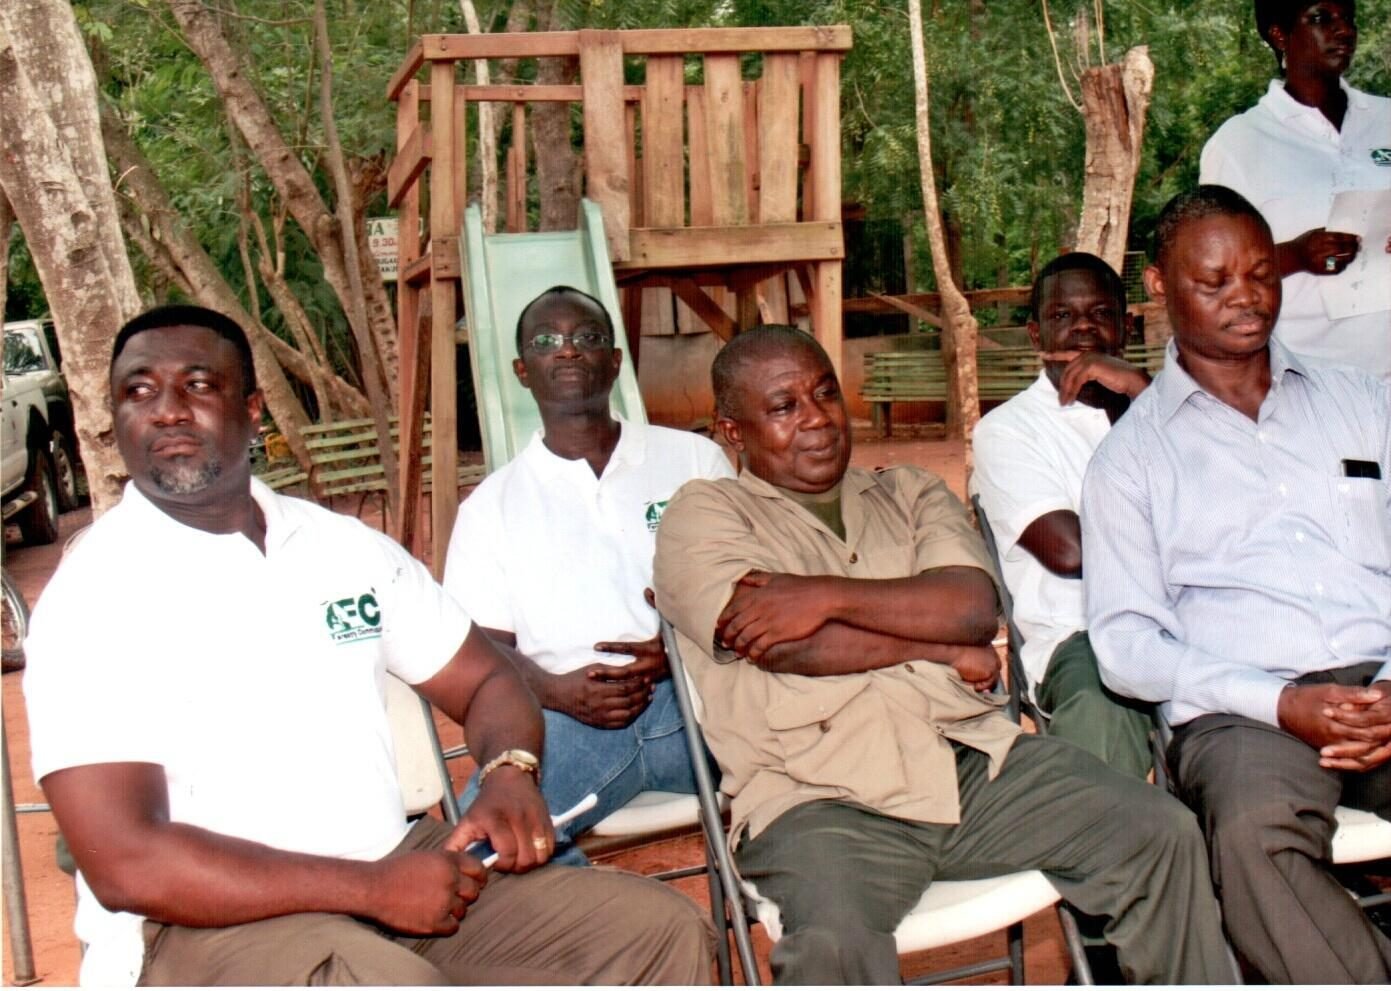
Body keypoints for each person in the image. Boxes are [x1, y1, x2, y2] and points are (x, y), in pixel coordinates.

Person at [22, 304, 715, 987]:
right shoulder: (96, 595)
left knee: (655, 931)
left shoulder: (341, 548)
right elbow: (127, 862)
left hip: (394, 865)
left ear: (254, 410)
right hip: (206, 921)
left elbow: (485, 680)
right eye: (139, 391)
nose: (167, 410)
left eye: (197, 385)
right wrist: (371, 889)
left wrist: (510, 768)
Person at [653, 324, 1233, 986]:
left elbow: (972, 608)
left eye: (825, 393)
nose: (816, 419)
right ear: (732, 433)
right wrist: (936, 645)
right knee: (833, 946)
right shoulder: (703, 516)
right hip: (816, 797)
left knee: (1158, 830)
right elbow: (791, 646)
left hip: (968, 762)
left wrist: (820, 594)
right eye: (785, 407)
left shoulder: (908, 491)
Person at [1084, 185, 1391, 983]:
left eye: (1260, 274)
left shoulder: (1364, 403)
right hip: (1246, 713)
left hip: (1382, 679)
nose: (1245, 298)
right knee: (1251, 834)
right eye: (1213, 281)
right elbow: (1125, 645)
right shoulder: (1129, 460)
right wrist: (1278, 701)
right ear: (1158, 285)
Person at [443, 286, 733, 863]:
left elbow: (752, 584)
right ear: (522, 371)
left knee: (819, 768)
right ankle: (601, 914)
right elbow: (482, 648)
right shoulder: (490, 506)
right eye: (547, 341)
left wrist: (678, 649)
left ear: (616, 361)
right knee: (484, 850)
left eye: (587, 337)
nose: (568, 350)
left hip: (699, 704)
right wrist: (554, 691)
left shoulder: (693, 461)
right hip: (568, 722)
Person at [970, 252, 1153, 778]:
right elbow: (1071, 552)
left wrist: (1141, 398)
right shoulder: (1009, 430)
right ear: (1036, 334)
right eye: (1062, 316)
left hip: (1196, 620)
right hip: (1084, 633)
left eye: (1100, 314)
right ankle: (1102, 829)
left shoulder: (1164, 409)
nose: (1083, 329)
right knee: (1106, 703)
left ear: (1126, 328)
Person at [1199, 0, 1391, 377]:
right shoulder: (1238, 143)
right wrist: (1296, 255)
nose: (1344, 30)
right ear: (1279, 35)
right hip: (1304, 377)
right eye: (1321, 18)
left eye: (1348, 18)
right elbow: (1210, 273)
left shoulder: (1386, 118)